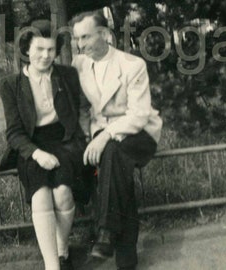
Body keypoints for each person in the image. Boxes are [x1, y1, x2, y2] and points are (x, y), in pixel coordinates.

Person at [0, 19, 91, 270]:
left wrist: (85, 135)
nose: (46, 56)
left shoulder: (67, 75)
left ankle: (62, 249)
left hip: (65, 139)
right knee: (40, 194)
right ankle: (52, 265)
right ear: (26, 49)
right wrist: (36, 154)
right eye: (39, 49)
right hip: (31, 144)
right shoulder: (11, 85)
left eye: (50, 50)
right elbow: (14, 132)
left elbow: (81, 108)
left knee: (62, 193)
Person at [71, 11, 163, 270]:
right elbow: (79, 107)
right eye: (77, 39)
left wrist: (105, 137)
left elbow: (139, 114)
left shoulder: (131, 65)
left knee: (111, 152)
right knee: (117, 171)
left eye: (86, 36)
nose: (81, 44)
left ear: (104, 34)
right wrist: (91, 137)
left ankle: (106, 231)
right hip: (103, 135)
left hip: (140, 133)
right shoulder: (80, 65)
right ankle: (124, 257)